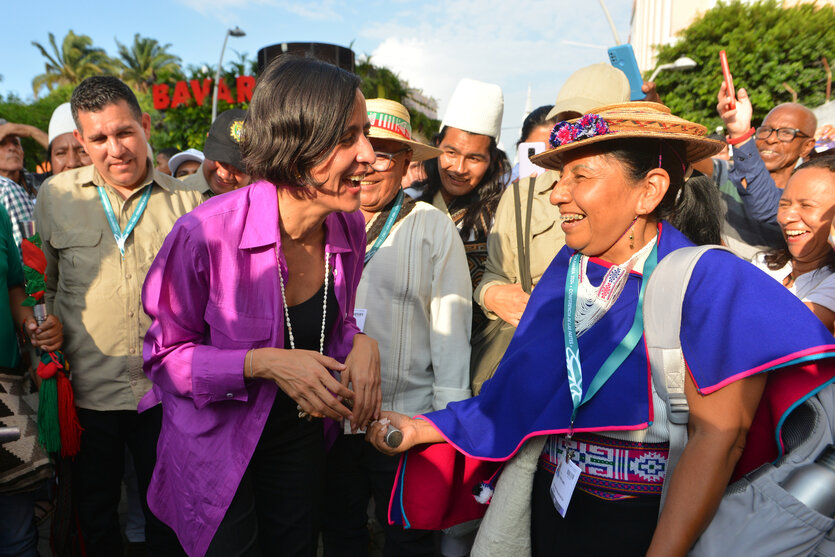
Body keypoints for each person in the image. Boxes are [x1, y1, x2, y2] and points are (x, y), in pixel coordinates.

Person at [368, 102, 835, 556]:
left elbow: (720, 438)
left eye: (580, 177)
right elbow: (517, 391)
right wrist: (420, 428)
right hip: (552, 506)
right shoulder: (569, 271)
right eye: (559, 178)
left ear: (649, 190)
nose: (556, 195)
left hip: (644, 523)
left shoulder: (710, 279)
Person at [141, 57, 382, 557]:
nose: (369, 154)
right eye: (348, 137)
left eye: (366, 134)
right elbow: (163, 359)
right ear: (298, 146)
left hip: (300, 439)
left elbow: (325, 331)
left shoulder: (349, 227)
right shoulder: (203, 235)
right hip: (214, 446)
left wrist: (360, 342)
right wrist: (260, 363)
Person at [35, 75, 203, 556]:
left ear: (145, 125)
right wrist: (39, 324)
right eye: (98, 139)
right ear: (82, 142)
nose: (115, 149)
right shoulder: (56, 197)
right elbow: (43, 285)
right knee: (94, 516)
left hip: (166, 398)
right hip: (88, 396)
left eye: (124, 132)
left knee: (166, 519)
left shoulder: (188, 203)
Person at [320, 98, 472, 557]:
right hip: (331, 416)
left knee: (408, 540)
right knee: (341, 533)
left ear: (407, 164)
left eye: (384, 154)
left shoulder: (432, 227)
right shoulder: (323, 219)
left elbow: (452, 331)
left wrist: (445, 427)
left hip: (403, 422)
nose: (367, 165)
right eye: (358, 147)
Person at [417, 78, 509, 338]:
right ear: (436, 147)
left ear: (492, 162)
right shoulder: (408, 201)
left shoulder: (504, 213)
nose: (458, 168)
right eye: (451, 152)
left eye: (474, 158)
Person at [716, 82, 817, 257]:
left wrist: (740, 135)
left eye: (786, 133)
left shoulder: (814, 194)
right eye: (765, 131)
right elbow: (689, 156)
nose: (771, 140)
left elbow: (766, 205)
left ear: (807, 147)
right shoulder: (727, 173)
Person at [754, 156, 835, 332]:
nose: (785, 217)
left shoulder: (832, 283)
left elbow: (787, 331)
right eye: (784, 204)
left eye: (806, 206)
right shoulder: (763, 263)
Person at [183, 108, 251, 199]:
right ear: (207, 141)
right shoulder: (174, 196)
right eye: (221, 162)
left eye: (238, 168)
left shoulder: (263, 205)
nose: (224, 175)